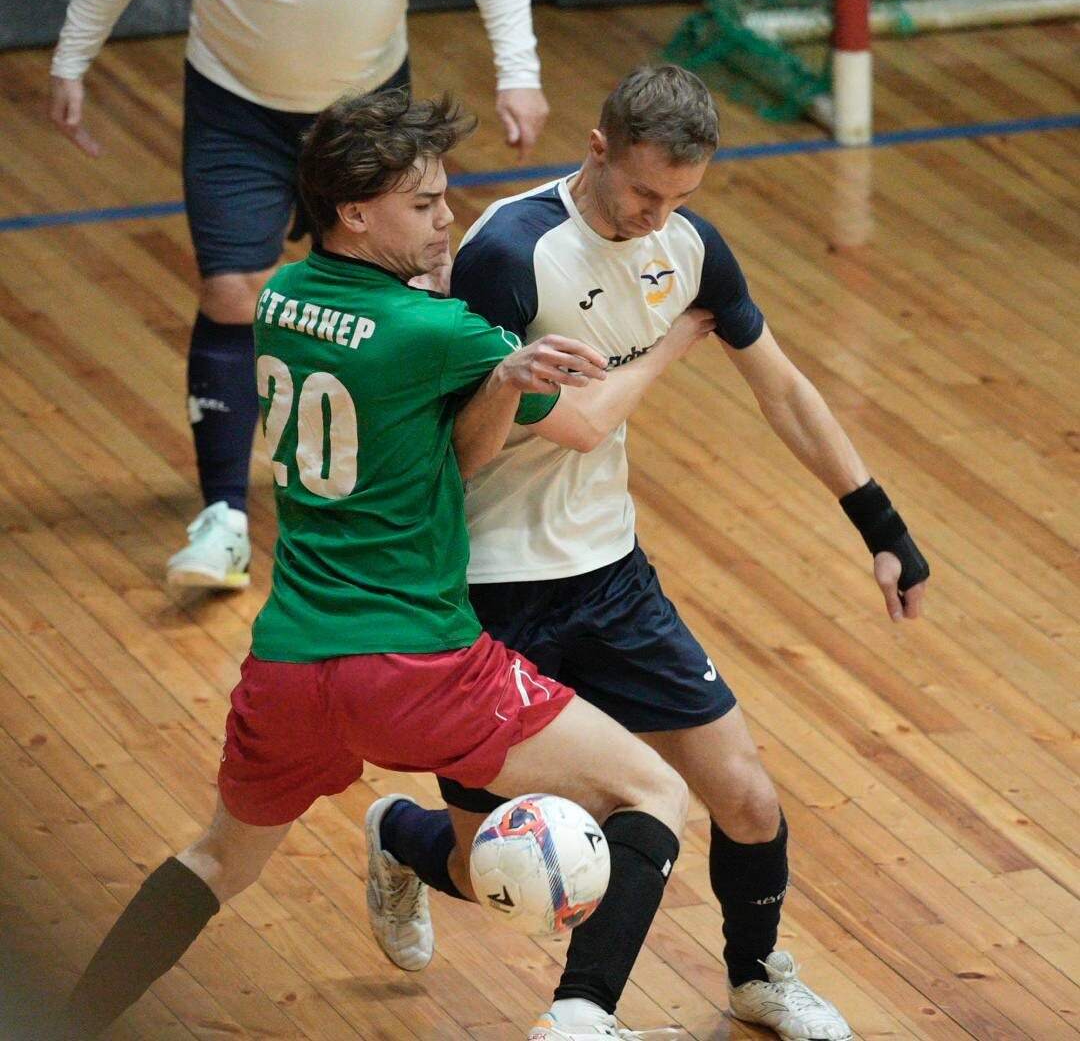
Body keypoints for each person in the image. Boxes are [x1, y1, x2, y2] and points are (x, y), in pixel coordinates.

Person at [48, 87, 692, 1041]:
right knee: (654, 791)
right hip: (418, 663)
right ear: (354, 211)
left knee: (218, 861)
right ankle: (579, 1017)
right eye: (424, 205)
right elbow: (548, 434)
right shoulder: (441, 334)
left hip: (289, 666)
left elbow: (431, 439)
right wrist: (676, 335)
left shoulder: (279, 299)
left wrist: (488, 375)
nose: (448, 221)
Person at [365, 65, 931, 1041]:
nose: (655, 217)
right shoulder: (510, 252)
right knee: (488, 861)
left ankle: (745, 979)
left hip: (610, 578)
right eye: (642, 192)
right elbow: (549, 429)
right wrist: (669, 347)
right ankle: (398, 837)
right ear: (597, 148)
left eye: (680, 197)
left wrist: (882, 525)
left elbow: (784, 390)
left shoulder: (687, 247)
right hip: (491, 588)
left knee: (745, 798)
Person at [48, 0, 550, 590]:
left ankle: (397, 498)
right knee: (232, 290)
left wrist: (520, 70)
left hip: (368, 105)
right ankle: (224, 516)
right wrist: (71, 57)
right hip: (234, 106)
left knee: (394, 294)